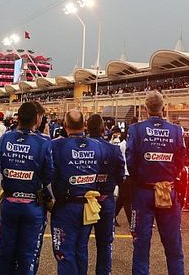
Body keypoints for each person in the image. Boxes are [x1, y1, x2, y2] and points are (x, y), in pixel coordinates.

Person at [126, 91, 186, 275]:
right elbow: (181, 160)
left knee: (141, 246)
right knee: (173, 247)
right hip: (167, 189)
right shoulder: (176, 130)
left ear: (145, 109)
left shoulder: (135, 129)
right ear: (164, 108)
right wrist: (168, 176)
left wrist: (142, 178)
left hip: (143, 191)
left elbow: (130, 160)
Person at [0, 101, 54, 275]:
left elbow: (2, 164)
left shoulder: (6, 137)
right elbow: (48, 174)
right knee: (28, 255)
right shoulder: (43, 141)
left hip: (9, 203)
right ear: (37, 118)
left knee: (5, 252)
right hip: (32, 204)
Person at [50, 110, 107, 275]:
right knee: (81, 250)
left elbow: (48, 172)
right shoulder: (97, 146)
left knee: (64, 252)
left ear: (65, 126)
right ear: (84, 126)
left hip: (66, 207)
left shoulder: (56, 145)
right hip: (88, 206)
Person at [87, 112, 125, 275]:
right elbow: (121, 177)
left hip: (85, 201)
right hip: (105, 200)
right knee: (105, 245)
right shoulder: (114, 149)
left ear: (87, 129)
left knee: (80, 245)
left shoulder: (83, 147)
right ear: (104, 129)